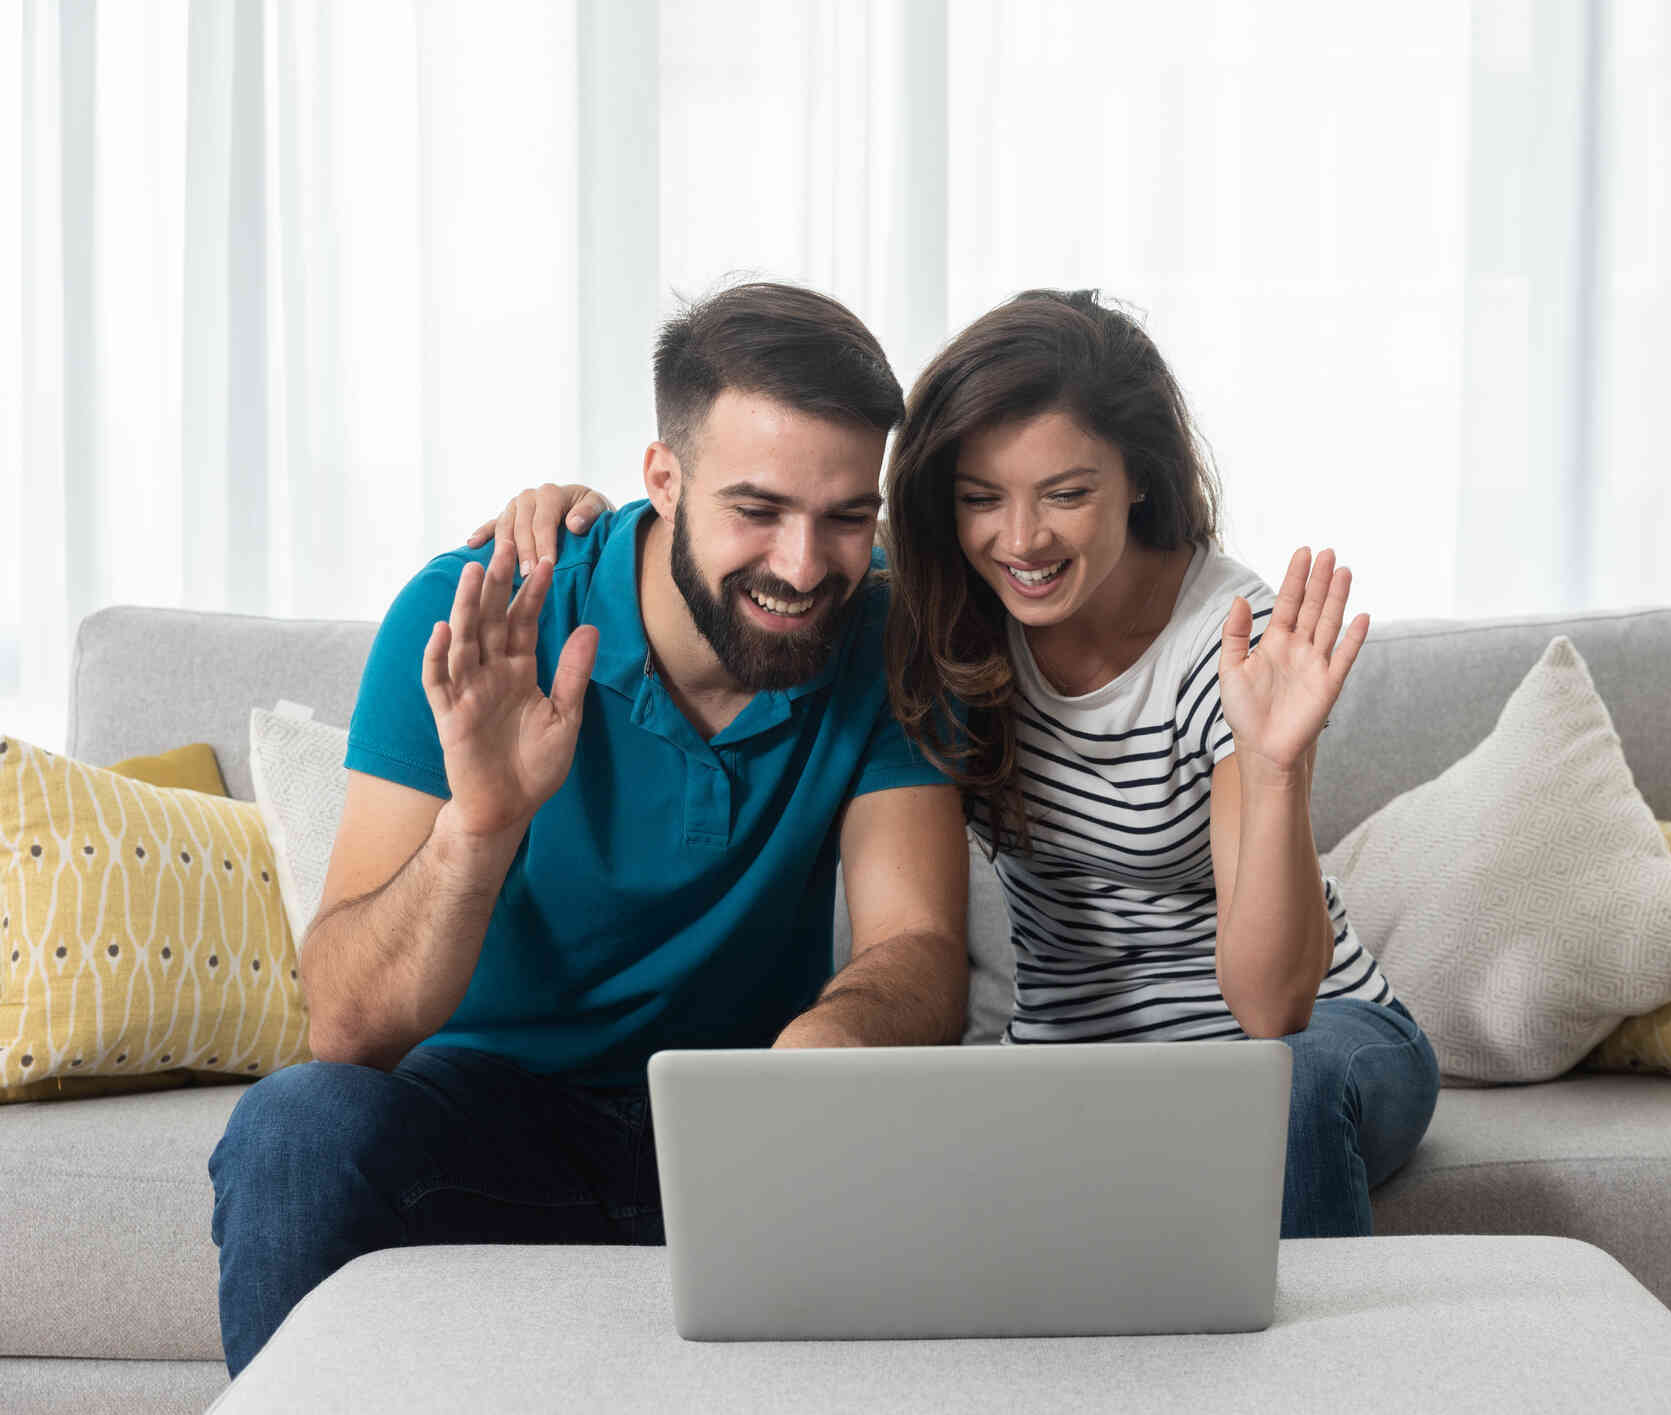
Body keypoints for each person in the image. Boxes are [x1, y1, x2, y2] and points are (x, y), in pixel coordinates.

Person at [501, 289, 1439, 1240]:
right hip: (1073, 1067)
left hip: (1305, 1046)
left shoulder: (1232, 648)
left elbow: (1271, 1005)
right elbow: (762, 526)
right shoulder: (948, 612)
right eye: (982, 498)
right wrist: (572, 513)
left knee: (1290, 1091)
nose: (1022, 539)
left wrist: (1275, 769)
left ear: (1139, 478)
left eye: (1066, 494)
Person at [207, 283, 970, 1377]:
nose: (806, 567)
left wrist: (823, 1049)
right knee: (296, 1125)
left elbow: (920, 948)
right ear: (663, 479)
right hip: (485, 1126)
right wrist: (482, 824)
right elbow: (347, 1023)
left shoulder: (886, 634)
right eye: (757, 509)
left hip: (745, 1130)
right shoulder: (477, 610)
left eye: (848, 516)